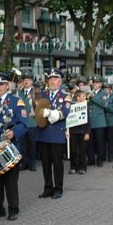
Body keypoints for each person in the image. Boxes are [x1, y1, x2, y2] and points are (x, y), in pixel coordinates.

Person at [0, 71, 27, 221]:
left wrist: (14, 133)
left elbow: (23, 124)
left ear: (7, 85)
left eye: (1, 84)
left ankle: (13, 208)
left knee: (10, 181)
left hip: (10, 146)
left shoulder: (16, 101)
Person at [36, 68, 71, 199]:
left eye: (55, 79)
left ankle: (58, 188)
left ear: (60, 81)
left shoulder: (65, 96)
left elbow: (65, 113)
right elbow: (37, 112)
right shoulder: (43, 95)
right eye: (50, 79)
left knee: (57, 163)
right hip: (44, 134)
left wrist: (51, 114)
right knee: (45, 163)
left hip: (56, 134)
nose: (52, 81)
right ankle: (48, 187)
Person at [16, 72, 38, 171]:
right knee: (22, 143)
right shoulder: (18, 92)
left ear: (32, 82)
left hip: (32, 121)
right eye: (24, 80)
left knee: (32, 143)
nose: (26, 82)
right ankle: (24, 162)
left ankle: (32, 163)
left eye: (28, 80)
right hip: (21, 122)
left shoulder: (36, 92)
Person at [85, 75, 107, 167]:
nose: (95, 84)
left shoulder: (103, 93)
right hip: (90, 121)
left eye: (97, 83)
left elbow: (103, 104)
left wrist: (93, 97)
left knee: (100, 142)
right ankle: (91, 159)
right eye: (94, 83)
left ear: (101, 84)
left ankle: (100, 160)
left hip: (99, 121)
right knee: (90, 143)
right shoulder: (89, 92)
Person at [68, 90, 90, 175]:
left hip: (82, 132)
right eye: (82, 96)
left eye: (84, 96)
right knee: (73, 150)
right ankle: (73, 167)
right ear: (77, 97)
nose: (84, 98)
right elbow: (68, 119)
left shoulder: (85, 107)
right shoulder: (72, 106)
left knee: (82, 150)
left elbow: (88, 121)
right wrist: (67, 130)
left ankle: (82, 167)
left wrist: (87, 133)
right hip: (73, 131)